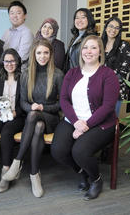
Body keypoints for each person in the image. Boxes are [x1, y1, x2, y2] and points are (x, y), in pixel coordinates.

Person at [51, 35, 119, 201]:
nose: (89, 51)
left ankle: (96, 180)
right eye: (85, 48)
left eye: (93, 47)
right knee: (58, 151)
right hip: (73, 120)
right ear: (81, 52)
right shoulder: (72, 73)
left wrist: (85, 126)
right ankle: (83, 173)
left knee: (79, 151)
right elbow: (64, 100)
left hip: (100, 123)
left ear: (100, 52)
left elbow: (108, 106)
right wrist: (75, 122)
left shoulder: (108, 75)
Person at [3, 39, 64, 198]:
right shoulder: (26, 74)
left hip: (51, 117)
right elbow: (23, 102)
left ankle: (17, 162)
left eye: (45, 52)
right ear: (33, 54)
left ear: (50, 54)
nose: (42, 56)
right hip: (34, 119)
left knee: (34, 116)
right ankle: (34, 174)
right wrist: (32, 108)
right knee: (37, 126)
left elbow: (62, 105)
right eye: (39, 52)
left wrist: (43, 108)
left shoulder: (58, 74)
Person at [0, 48, 25, 193]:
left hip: (17, 115)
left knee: (7, 133)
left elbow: (26, 101)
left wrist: (16, 112)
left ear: (17, 61)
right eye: (7, 61)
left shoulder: (23, 77)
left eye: (13, 61)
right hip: (0, 114)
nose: (10, 64)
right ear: (3, 62)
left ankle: (6, 172)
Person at [101, 16, 130, 116]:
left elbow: (123, 72)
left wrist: (105, 83)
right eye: (111, 26)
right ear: (106, 28)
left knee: (111, 121)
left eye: (117, 28)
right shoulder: (99, 44)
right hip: (98, 89)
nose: (113, 30)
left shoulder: (124, 45)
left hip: (115, 89)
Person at [2, 0, 34, 68]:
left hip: (20, 72)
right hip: (6, 71)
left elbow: (22, 57)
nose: (14, 16)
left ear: (25, 16)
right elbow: (2, 52)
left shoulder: (27, 33)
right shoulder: (6, 32)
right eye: (12, 13)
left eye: (18, 13)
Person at [64, 8, 96, 72]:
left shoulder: (91, 39)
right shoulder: (75, 38)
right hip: (72, 74)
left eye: (83, 17)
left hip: (82, 75)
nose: (79, 20)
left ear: (89, 20)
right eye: (77, 18)